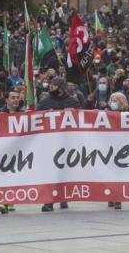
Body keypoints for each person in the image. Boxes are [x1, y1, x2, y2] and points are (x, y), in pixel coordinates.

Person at [37, 77, 81, 212]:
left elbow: (81, 118)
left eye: (54, 85)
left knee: (65, 171)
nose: (51, 87)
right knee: (50, 172)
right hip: (49, 143)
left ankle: (64, 197)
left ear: (61, 87)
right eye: (50, 85)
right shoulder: (45, 102)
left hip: (68, 142)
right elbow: (37, 118)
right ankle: (49, 201)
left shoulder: (72, 102)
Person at [0, 90, 24, 214]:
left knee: (13, 176)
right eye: (13, 97)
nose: (16, 100)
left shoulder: (25, 114)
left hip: (19, 151)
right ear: (6, 100)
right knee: (3, 175)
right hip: (2, 151)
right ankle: (3, 201)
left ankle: (10, 200)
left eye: (17, 97)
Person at [106, 92, 129, 210]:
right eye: (111, 100)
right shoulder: (105, 114)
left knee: (119, 174)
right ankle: (110, 196)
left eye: (116, 100)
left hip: (122, 148)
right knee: (109, 173)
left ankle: (118, 198)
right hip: (108, 147)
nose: (113, 102)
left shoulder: (127, 115)